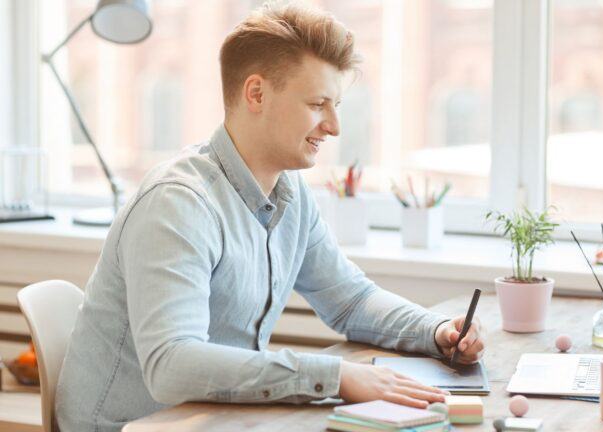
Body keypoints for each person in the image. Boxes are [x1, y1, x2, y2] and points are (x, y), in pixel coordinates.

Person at [55, 4, 484, 431]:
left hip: (217, 418)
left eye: (336, 105)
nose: (333, 126)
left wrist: (436, 330)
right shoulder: (178, 204)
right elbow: (172, 365)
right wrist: (335, 376)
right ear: (256, 93)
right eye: (318, 104)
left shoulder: (289, 191)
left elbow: (349, 300)